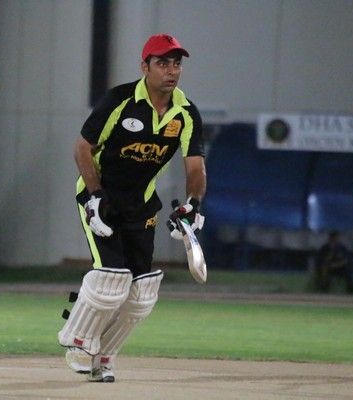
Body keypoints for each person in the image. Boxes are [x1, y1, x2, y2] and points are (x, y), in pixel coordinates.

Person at [58, 33, 206, 382]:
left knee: (141, 292)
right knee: (111, 278)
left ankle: (105, 357)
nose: (171, 71)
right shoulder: (119, 100)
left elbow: (195, 167)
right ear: (145, 67)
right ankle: (79, 344)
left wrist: (193, 204)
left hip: (141, 205)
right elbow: (82, 148)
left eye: (176, 64)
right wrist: (95, 196)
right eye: (162, 63)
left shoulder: (186, 113)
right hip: (101, 198)